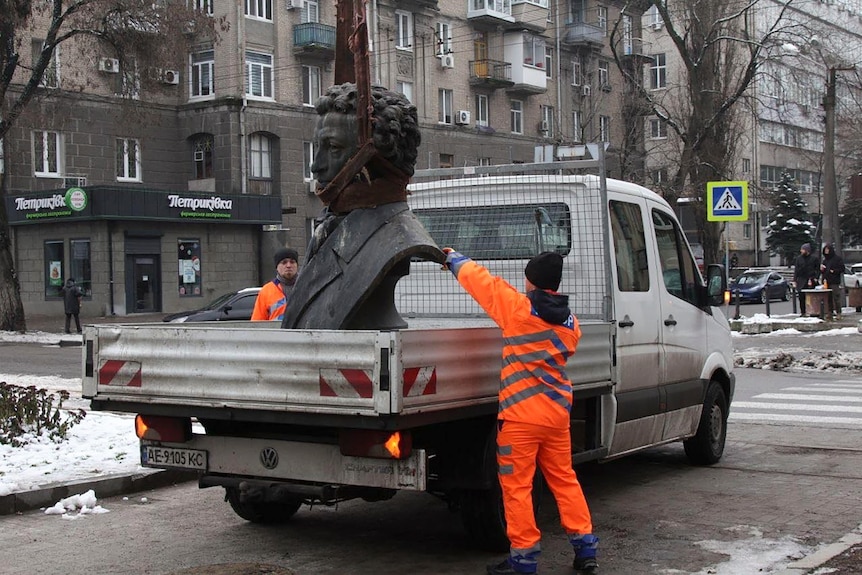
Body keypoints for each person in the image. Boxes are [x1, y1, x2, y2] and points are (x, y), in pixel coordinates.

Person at [442, 248, 598, 575]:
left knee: (517, 488)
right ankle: (585, 549)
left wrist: (453, 258)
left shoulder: (517, 309)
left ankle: (524, 559)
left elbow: (482, 282)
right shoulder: (571, 324)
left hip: (520, 419)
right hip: (555, 417)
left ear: (532, 282)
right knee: (565, 480)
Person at [280, 83, 443, 330]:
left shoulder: (399, 238)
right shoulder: (331, 226)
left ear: (375, 157)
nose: (316, 166)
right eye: (318, 148)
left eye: (332, 148)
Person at [251, 248, 299, 321]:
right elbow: (257, 323)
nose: (288, 265)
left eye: (292, 262)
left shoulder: (307, 287)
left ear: (297, 265)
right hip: (276, 332)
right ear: (277, 267)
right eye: (284, 262)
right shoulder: (266, 291)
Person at [793, 243, 820, 316]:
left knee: (812, 296)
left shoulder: (814, 259)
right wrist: (795, 280)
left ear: (807, 250)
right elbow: (796, 270)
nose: (801, 251)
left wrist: (816, 278)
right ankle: (803, 312)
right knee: (801, 297)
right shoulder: (799, 259)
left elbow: (817, 269)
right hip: (801, 280)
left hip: (811, 279)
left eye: (803, 249)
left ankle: (812, 311)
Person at [820, 243, 845, 320]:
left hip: (834, 281)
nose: (826, 251)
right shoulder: (825, 260)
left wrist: (834, 271)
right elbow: (823, 271)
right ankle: (830, 312)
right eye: (825, 250)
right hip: (826, 281)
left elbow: (842, 269)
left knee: (836, 297)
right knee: (828, 298)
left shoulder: (837, 259)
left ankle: (838, 313)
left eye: (828, 250)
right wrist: (822, 271)